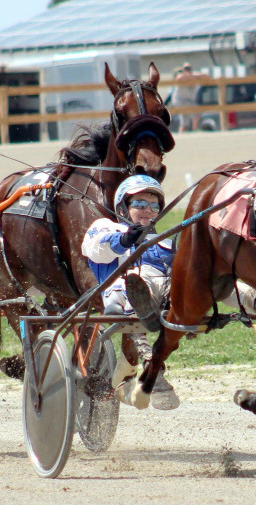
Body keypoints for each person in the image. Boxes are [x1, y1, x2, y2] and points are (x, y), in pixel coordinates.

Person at [81, 174, 180, 410]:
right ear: (123, 208)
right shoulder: (106, 227)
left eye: (153, 205)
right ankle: (143, 310)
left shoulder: (164, 241)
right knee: (137, 280)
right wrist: (124, 239)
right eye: (139, 204)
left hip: (165, 294)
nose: (147, 210)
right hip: (120, 292)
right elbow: (97, 248)